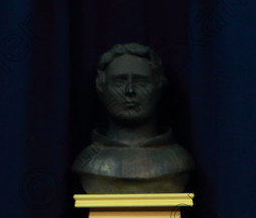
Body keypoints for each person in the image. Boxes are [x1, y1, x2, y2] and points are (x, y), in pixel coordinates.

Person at [71, 42, 194, 194]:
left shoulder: (180, 161)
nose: (130, 90)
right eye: (119, 82)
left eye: (141, 82)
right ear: (101, 89)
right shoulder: (88, 162)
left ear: (159, 88)